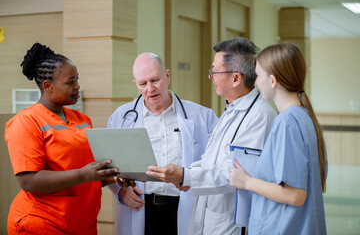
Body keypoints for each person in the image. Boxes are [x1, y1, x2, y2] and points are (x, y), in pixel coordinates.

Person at [146, 37, 277, 234]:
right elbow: (212, 160)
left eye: (214, 71)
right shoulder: (231, 109)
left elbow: (234, 175)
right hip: (210, 218)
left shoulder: (259, 116)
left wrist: (186, 175)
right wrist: (185, 173)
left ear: (235, 78)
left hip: (231, 224)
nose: (211, 77)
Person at [5, 43, 120, 235]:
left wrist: (111, 176)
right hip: (41, 224)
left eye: (77, 80)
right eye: (70, 82)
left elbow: (86, 174)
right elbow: (28, 181)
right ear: (48, 86)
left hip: (82, 224)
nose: (77, 86)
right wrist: (83, 174)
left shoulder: (82, 120)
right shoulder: (26, 121)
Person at [107, 52, 218, 235]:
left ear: (167, 76)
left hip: (184, 206)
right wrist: (121, 191)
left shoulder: (202, 116)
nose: (150, 89)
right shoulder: (121, 117)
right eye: (143, 84)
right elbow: (108, 164)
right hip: (142, 207)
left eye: (155, 80)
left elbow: (216, 163)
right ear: (136, 84)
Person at [229, 42, 327, 234]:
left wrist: (246, 182)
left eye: (258, 76)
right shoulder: (304, 117)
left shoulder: (287, 122)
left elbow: (295, 194)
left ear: (273, 81)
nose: (256, 82)